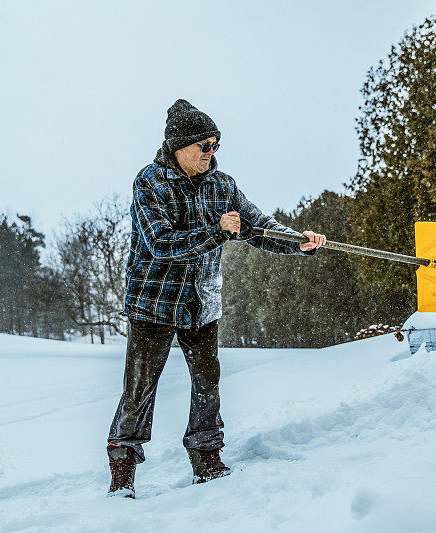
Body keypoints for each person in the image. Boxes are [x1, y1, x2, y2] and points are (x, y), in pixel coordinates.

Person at [106, 99, 326, 498]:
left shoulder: (223, 185)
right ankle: (123, 465)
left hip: (201, 301)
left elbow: (257, 226)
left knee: (207, 381)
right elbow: (160, 244)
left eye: (216, 145)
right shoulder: (150, 182)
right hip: (153, 301)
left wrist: (299, 242)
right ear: (178, 146)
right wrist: (218, 231)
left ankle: (206, 456)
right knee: (139, 388)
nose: (211, 153)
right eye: (204, 146)